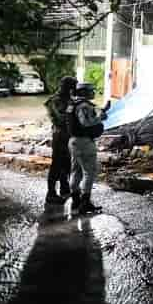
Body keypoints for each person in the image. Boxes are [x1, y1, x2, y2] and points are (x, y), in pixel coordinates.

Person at [67, 82, 108, 214]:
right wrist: (100, 117)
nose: (93, 93)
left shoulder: (72, 104)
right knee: (89, 172)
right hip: (84, 142)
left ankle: (75, 201)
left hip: (73, 141)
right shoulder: (84, 106)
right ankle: (85, 203)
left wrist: (101, 111)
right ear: (84, 92)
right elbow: (86, 123)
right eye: (91, 91)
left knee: (76, 171)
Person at [43, 76, 77, 204]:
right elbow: (60, 119)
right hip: (59, 136)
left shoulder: (69, 100)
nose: (74, 90)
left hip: (69, 136)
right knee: (56, 165)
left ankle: (64, 187)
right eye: (73, 87)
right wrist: (72, 110)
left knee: (67, 163)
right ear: (67, 88)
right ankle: (51, 193)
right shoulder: (54, 101)